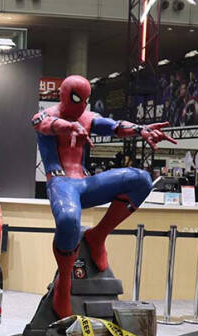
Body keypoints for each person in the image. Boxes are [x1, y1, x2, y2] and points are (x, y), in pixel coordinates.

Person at [31, 75, 176, 319]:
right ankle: (64, 281)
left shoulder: (88, 118)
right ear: (63, 95)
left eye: (86, 99)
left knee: (141, 180)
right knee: (68, 219)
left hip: (85, 182)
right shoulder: (44, 116)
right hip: (61, 183)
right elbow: (46, 124)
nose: (81, 105)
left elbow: (115, 126)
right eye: (76, 98)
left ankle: (97, 236)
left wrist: (141, 130)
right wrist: (69, 127)